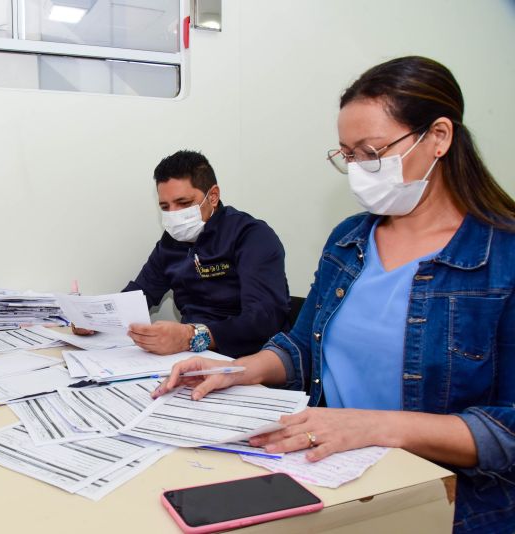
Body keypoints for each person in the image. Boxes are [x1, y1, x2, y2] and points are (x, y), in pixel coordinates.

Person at [153, 57, 515, 533]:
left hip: (446, 499)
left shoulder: (500, 258)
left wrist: (373, 426)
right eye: (348, 155)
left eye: (372, 151)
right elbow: (303, 346)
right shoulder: (349, 240)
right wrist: (233, 369)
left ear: (439, 137)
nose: (360, 170)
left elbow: (507, 430)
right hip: (331, 470)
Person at [76, 150, 289, 357]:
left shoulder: (251, 236)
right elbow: (139, 295)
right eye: (165, 207)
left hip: (247, 359)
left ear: (213, 196)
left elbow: (263, 319)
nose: (174, 215)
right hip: (188, 355)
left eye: (184, 203)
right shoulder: (170, 243)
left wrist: (190, 336)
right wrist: (94, 319)